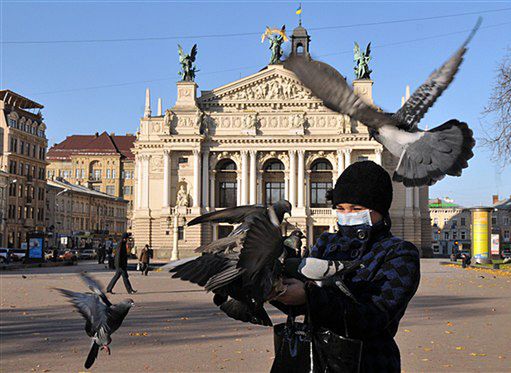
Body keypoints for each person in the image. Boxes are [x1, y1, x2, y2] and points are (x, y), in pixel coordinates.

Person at [276, 161, 421, 373]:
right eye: (341, 208)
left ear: (379, 209)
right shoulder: (326, 242)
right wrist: (275, 290)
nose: (348, 214)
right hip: (315, 359)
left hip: (369, 362)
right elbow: (297, 305)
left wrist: (309, 296)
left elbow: (374, 318)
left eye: (357, 208)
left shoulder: (399, 252)